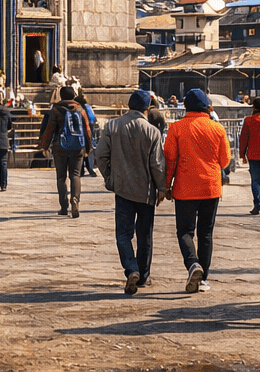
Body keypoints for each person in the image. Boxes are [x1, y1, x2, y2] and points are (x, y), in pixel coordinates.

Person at [95, 89, 167, 294]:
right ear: (147, 108)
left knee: (123, 234)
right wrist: (161, 187)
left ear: (128, 105)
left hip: (123, 189)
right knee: (145, 235)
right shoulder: (152, 131)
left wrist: (110, 178)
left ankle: (130, 268)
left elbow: (100, 155)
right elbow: (157, 164)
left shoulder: (112, 125)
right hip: (146, 191)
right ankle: (143, 276)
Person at [164, 88, 230, 293]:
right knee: (206, 233)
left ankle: (193, 264)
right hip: (210, 187)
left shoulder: (176, 128)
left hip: (185, 188)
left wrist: (167, 185)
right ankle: (204, 279)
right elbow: (225, 160)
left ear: (185, 106)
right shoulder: (217, 128)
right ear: (207, 107)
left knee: (184, 231)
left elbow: (170, 159)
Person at [37, 85, 93, 218]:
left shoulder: (56, 109)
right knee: (75, 175)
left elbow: (50, 129)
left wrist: (44, 146)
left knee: (61, 177)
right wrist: (88, 147)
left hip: (59, 147)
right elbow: (87, 129)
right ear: (74, 95)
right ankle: (75, 201)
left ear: (61, 96)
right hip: (78, 147)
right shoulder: (80, 109)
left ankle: (63, 206)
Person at [80, 91, 101, 177]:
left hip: (81, 134)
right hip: (88, 132)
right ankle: (90, 169)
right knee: (89, 151)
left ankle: (82, 170)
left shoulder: (77, 109)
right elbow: (92, 120)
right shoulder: (88, 107)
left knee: (81, 152)